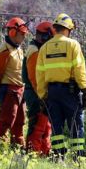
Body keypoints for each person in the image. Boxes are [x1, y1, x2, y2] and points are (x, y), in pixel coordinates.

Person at [36, 13, 86, 158]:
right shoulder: (73, 45)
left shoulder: (44, 48)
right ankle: (78, 156)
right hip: (70, 92)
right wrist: (85, 90)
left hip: (52, 93)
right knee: (75, 123)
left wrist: (42, 97)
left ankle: (58, 155)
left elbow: (40, 76)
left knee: (56, 125)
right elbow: (79, 70)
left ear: (55, 28)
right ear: (68, 29)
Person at [0, 17, 28, 146]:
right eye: (22, 34)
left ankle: (17, 147)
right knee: (6, 121)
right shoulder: (4, 51)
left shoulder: (18, 49)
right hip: (9, 90)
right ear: (12, 33)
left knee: (20, 121)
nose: (24, 37)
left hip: (20, 90)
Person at [22, 21, 55, 156]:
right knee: (37, 125)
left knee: (45, 126)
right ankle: (32, 153)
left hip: (39, 92)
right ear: (46, 36)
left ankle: (44, 152)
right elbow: (35, 78)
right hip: (36, 93)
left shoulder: (38, 49)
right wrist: (42, 95)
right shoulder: (34, 51)